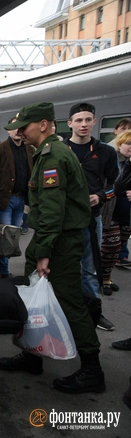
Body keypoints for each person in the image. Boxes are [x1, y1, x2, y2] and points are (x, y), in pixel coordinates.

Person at [0, 102, 105, 395]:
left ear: (43, 125)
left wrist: (44, 252)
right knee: (35, 299)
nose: (20, 133)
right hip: (50, 238)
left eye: (24, 127)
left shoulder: (53, 156)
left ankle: (92, 370)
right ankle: (32, 355)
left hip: (60, 242)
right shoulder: (46, 153)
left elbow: (53, 211)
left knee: (69, 302)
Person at [63, 103, 118, 331]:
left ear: (95, 122)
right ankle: (64, 312)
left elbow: (114, 185)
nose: (83, 124)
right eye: (78, 120)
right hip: (64, 220)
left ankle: (93, 312)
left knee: (89, 268)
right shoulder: (60, 150)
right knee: (63, 267)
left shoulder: (106, 152)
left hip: (91, 218)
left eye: (88, 120)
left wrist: (100, 196)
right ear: (70, 124)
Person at [0, 117, 35, 278]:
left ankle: (2, 266)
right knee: (5, 236)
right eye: (15, 127)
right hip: (4, 200)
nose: (18, 131)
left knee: (14, 236)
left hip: (21, 200)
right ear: (8, 130)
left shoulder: (29, 150)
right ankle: (4, 270)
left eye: (21, 127)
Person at [111, 130, 131, 351]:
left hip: (126, 216)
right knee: (110, 247)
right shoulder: (122, 164)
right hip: (117, 214)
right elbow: (117, 187)